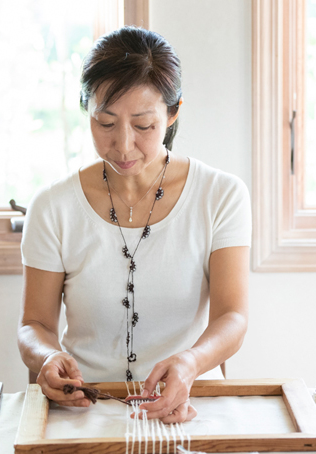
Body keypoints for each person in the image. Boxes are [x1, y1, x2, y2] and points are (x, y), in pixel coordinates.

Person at [17, 26, 251, 424]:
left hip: (192, 400)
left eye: (143, 125)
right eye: (105, 123)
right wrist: (47, 355)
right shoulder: (52, 206)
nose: (123, 145)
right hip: (85, 405)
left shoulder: (221, 194)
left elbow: (233, 316)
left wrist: (192, 362)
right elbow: (34, 324)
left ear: (173, 112)